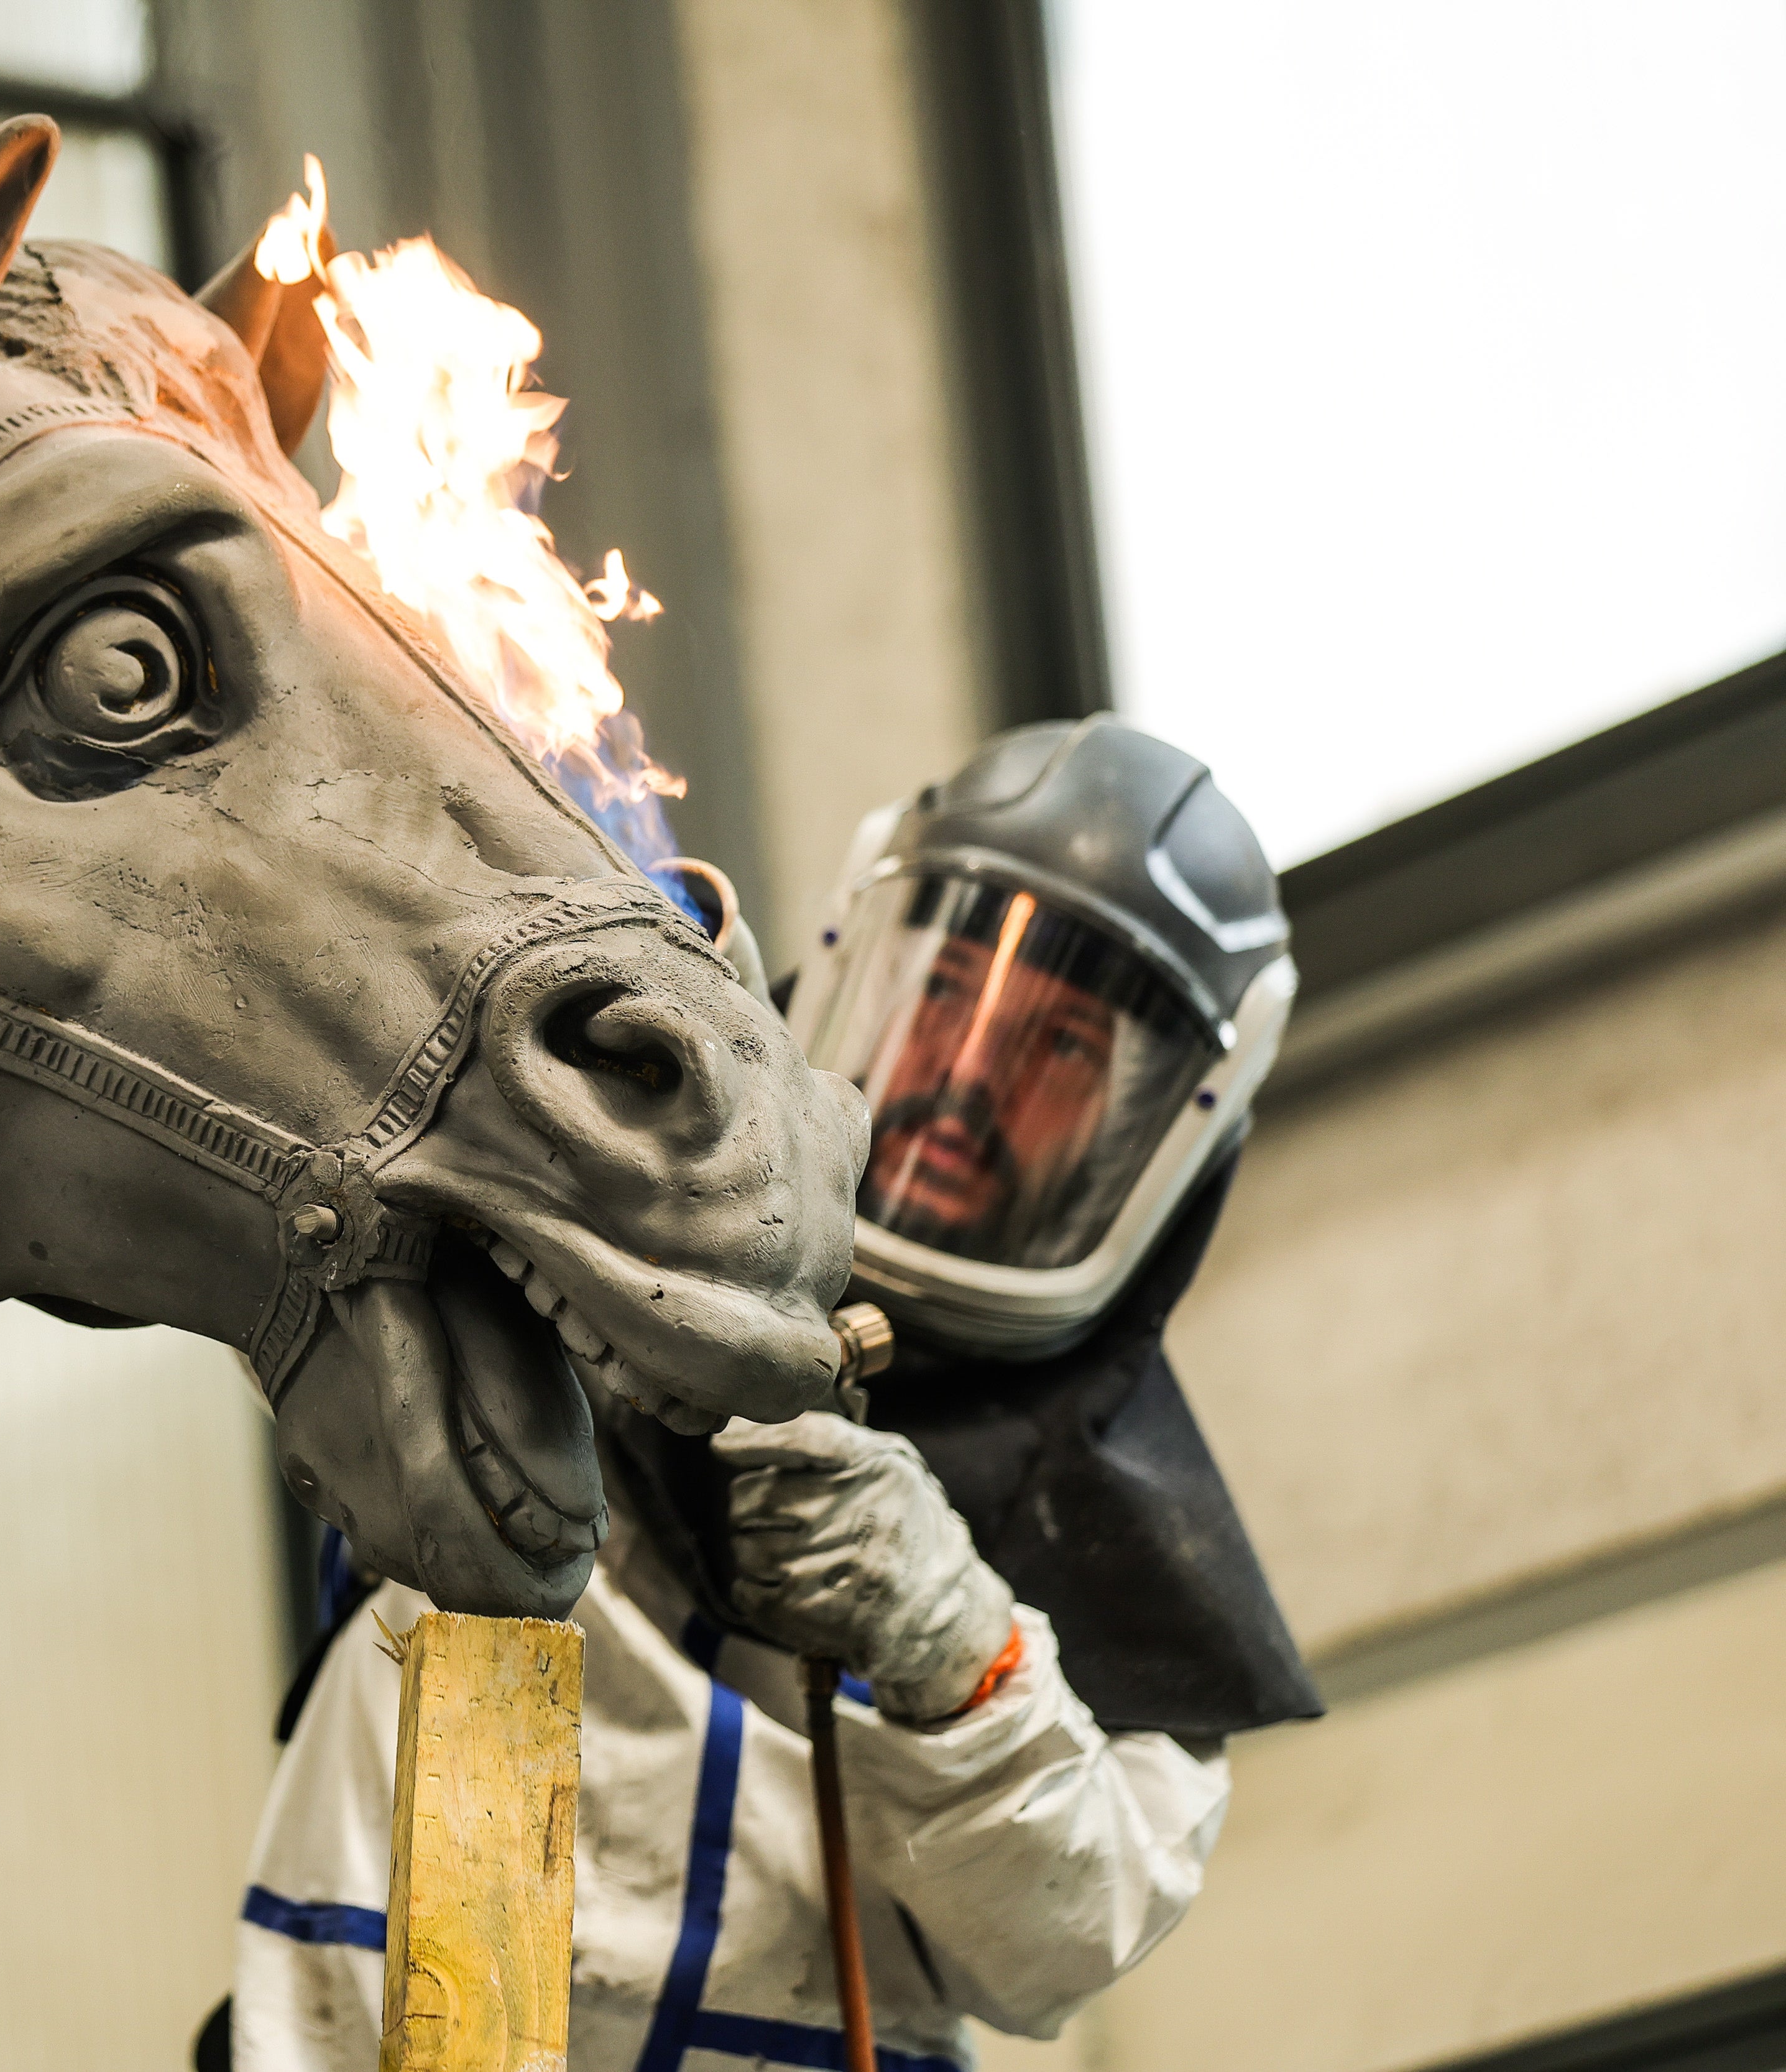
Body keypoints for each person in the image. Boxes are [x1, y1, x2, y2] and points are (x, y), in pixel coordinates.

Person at [215, 716, 1320, 2072]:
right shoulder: (577, 1213)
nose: (965, 1085)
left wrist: (955, 1649)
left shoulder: (1126, 1547)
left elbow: (1059, 1940)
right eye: (945, 994)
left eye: (1057, 1055)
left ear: (1169, 1131)